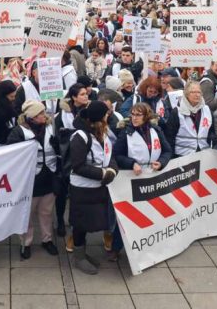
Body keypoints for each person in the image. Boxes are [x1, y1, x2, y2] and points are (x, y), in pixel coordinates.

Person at [111, 103, 172, 261]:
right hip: (133, 178)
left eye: (138, 115)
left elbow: (167, 150)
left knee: (153, 212)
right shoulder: (126, 133)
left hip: (152, 176)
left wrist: (162, 162)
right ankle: (116, 248)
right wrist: (131, 163)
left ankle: (150, 245)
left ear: (146, 117)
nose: (135, 118)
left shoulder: (155, 130)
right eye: (133, 114)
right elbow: (116, 155)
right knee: (128, 214)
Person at [66, 101, 117, 275]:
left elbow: (109, 156)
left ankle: (84, 254)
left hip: (98, 188)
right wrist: (103, 174)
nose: (108, 116)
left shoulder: (103, 133)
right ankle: (79, 257)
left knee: (90, 222)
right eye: (105, 114)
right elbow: (78, 166)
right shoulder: (80, 137)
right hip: (82, 189)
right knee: (80, 224)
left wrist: (112, 170)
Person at [6, 100, 60, 258]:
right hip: (30, 180)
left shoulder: (51, 127)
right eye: (40, 113)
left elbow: (59, 150)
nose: (44, 115)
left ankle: (47, 239)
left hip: (49, 176)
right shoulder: (19, 132)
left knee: (46, 212)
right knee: (27, 213)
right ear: (31, 117)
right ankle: (26, 242)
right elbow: (11, 154)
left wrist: (59, 145)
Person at [54, 83, 90, 245]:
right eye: (82, 94)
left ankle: (75, 221)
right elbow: (58, 137)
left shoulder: (89, 110)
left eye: (86, 93)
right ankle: (60, 220)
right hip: (66, 159)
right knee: (62, 193)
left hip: (83, 157)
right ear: (74, 97)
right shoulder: (62, 115)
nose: (86, 96)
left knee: (77, 192)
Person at [165, 81, 214, 157]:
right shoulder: (177, 112)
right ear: (186, 94)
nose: (197, 95)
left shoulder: (207, 110)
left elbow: (212, 131)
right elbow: (169, 137)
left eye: (199, 92)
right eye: (193, 92)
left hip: (204, 154)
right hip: (182, 155)